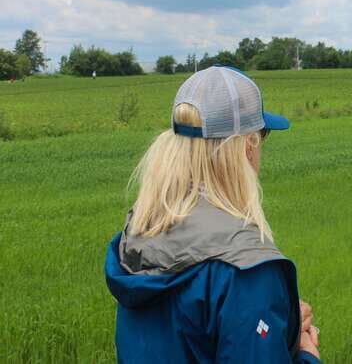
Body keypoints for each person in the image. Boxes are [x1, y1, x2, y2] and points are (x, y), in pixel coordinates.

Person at [104, 65, 322, 363]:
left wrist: (277, 320)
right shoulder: (246, 269)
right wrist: (307, 355)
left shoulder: (141, 234)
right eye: (263, 134)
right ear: (247, 146)